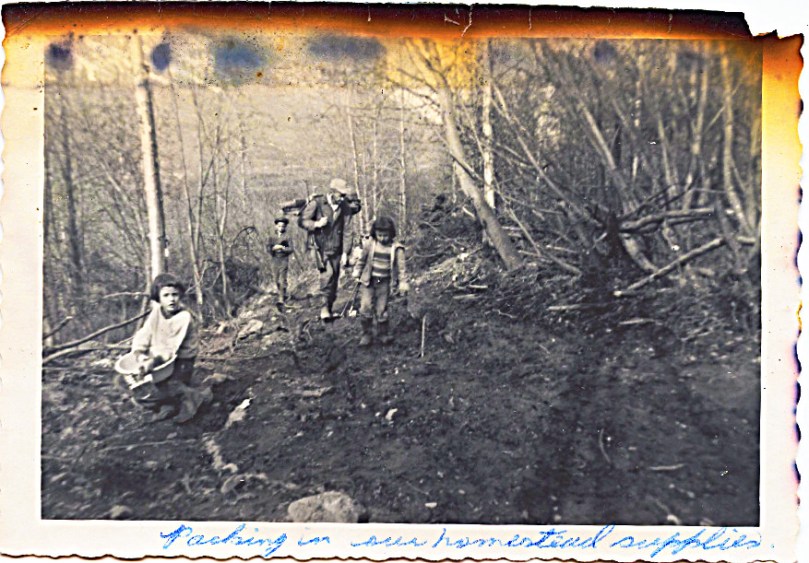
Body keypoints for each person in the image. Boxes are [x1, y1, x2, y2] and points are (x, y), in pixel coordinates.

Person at [129, 273, 211, 423]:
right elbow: (145, 333)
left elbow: (170, 348)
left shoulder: (183, 317)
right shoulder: (156, 313)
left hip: (181, 361)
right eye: (166, 295)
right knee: (139, 391)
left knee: (171, 385)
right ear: (158, 297)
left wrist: (152, 362)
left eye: (175, 295)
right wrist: (139, 352)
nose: (171, 299)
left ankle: (194, 398)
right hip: (162, 360)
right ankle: (169, 405)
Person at [300, 178, 362, 320]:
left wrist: (346, 252)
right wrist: (316, 224)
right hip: (320, 249)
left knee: (334, 278)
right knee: (327, 275)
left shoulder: (344, 207)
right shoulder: (318, 203)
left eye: (344, 195)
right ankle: (324, 308)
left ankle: (328, 305)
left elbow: (347, 231)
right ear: (332, 192)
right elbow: (302, 221)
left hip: (336, 248)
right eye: (341, 194)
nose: (343, 198)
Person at [352, 216, 409, 346]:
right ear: (375, 233)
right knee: (365, 306)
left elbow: (401, 268)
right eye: (379, 235)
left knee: (381, 308)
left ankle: (383, 333)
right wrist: (357, 271)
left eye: (385, 235)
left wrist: (403, 282)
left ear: (391, 233)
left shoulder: (396, 248)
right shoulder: (370, 245)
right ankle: (367, 333)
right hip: (369, 281)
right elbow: (362, 260)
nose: (382, 238)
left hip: (384, 282)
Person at [266, 215, 294, 308]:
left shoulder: (287, 236)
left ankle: (281, 298)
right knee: (276, 279)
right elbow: (268, 248)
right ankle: (283, 293)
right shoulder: (272, 236)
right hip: (274, 259)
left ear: (285, 227)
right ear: (276, 226)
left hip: (283, 259)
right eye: (279, 226)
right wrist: (273, 248)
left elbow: (291, 249)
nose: (281, 228)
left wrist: (282, 248)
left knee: (282, 279)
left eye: (283, 226)